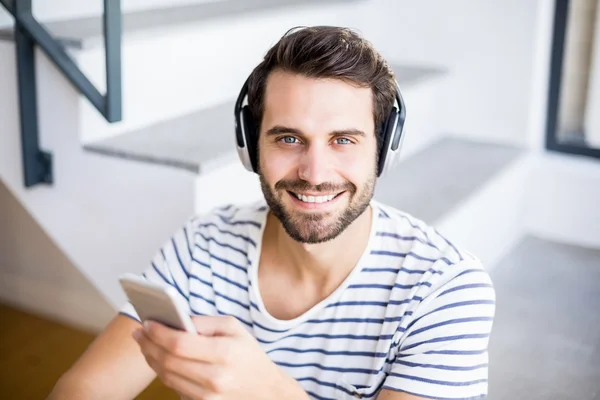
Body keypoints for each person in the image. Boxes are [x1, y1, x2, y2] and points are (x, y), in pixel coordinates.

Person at [49, 26, 495, 400]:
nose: (315, 173)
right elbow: (85, 387)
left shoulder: (444, 291)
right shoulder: (204, 244)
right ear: (250, 146)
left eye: (344, 139)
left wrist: (269, 391)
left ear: (384, 151)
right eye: (288, 139)